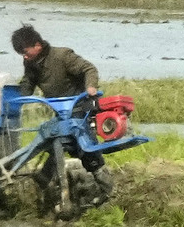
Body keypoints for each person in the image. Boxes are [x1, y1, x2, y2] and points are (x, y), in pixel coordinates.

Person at [10, 25, 113, 203]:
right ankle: (44, 182)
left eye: (26, 52)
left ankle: (107, 189)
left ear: (38, 45)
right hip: (60, 111)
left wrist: (90, 87)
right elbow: (28, 81)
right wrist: (22, 97)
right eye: (21, 54)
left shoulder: (62, 56)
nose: (24, 57)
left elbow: (89, 69)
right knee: (52, 140)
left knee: (84, 147)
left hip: (79, 106)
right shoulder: (31, 63)